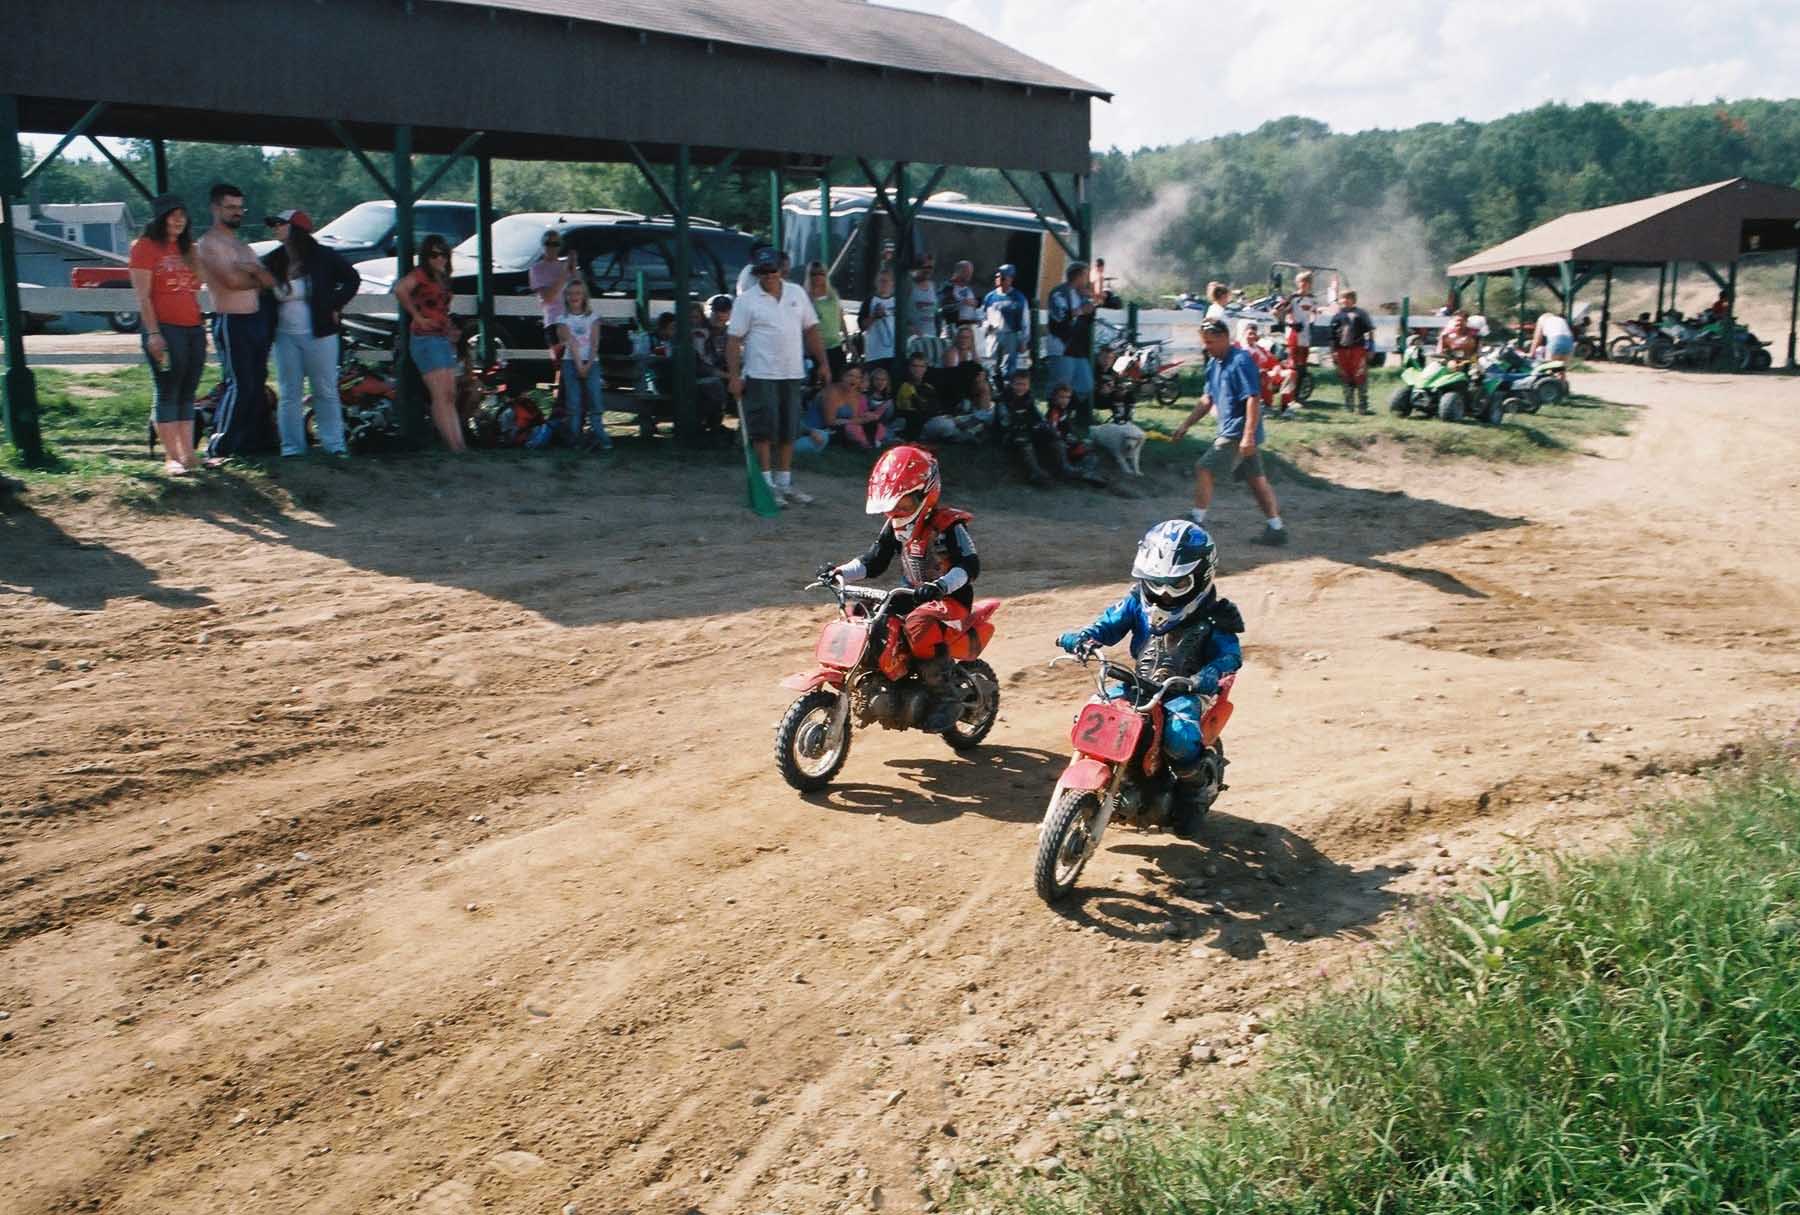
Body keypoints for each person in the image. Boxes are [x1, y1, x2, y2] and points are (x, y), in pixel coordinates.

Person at [1055, 520, 1245, 824]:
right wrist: (1085, 637)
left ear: (1201, 577)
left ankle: (1192, 794)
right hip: (1139, 684)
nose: (1165, 593)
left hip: (1186, 690)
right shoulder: (1134, 602)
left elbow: (1230, 655)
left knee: (1179, 738)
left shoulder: (1215, 616)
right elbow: (1108, 625)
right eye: (1156, 581)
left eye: (1177, 584)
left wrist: (1208, 675)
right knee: (1094, 713)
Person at [822, 445, 980, 732]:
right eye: (892, 506)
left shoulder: (948, 525)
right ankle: (881, 676)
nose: (896, 513)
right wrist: (840, 572)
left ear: (925, 494)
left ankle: (946, 697)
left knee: (919, 623)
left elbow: (970, 566)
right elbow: (875, 561)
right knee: (859, 611)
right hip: (914, 595)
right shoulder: (895, 525)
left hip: (950, 601)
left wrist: (940, 586)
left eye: (904, 504)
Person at [727, 245, 830, 506]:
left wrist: (823, 362)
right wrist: (734, 376)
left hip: (792, 372)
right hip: (760, 374)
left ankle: (784, 483)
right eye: (763, 271)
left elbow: (811, 330)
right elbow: (733, 340)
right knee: (763, 431)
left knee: (788, 430)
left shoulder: (796, 294)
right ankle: (766, 484)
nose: (768, 275)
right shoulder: (745, 301)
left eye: (772, 270)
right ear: (757, 272)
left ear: (780, 269)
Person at [1171, 318, 1288, 546]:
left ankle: (1197, 520)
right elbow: (1207, 400)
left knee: (1204, 467)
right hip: (1235, 431)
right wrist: (1186, 425)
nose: (1208, 347)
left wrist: (1247, 435)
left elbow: (1253, 399)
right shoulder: (1214, 364)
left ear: (1225, 338)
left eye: (1211, 342)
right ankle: (1276, 528)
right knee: (1256, 481)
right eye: (1205, 342)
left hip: (1238, 431)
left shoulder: (1241, 361)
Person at [262, 208, 360, 457]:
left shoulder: (323, 256)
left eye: (280, 224)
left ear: (297, 228)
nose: (275, 228)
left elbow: (352, 279)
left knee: (325, 389)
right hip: (285, 336)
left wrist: (335, 305)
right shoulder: (273, 260)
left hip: (321, 333)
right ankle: (292, 448)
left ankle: (334, 445)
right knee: (289, 392)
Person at [196, 182, 278, 459]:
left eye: (239, 207)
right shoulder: (209, 243)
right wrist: (255, 275)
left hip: (256, 318)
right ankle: (220, 446)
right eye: (230, 207)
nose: (236, 212)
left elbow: (269, 282)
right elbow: (230, 281)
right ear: (215, 208)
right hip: (231, 319)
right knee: (239, 384)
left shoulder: (243, 247)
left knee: (257, 382)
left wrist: (253, 271)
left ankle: (250, 442)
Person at [129, 192, 208, 476]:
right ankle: (171, 457)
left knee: (188, 391)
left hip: (192, 327)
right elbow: (143, 297)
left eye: (183, 216)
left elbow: (198, 284)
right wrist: (153, 333)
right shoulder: (144, 247)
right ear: (160, 217)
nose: (179, 221)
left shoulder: (190, 249)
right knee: (168, 390)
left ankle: (189, 454)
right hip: (164, 327)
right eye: (173, 215)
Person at [394, 234, 468, 453]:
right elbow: (400, 289)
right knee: (440, 393)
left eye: (443, 253)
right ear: (426, 256)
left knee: (450, 393)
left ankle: (459, 443)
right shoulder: (420, 275)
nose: (439, 258)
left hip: (442, 337)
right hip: (426, 338)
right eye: (434, 254)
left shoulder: (443, 277)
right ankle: (453, 446)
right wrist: (416, 316)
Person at [555, 279, 611, 451]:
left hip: (592, 362)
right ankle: (575, 439)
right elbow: (570, 342)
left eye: (578, 293)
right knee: (573, 402)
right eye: (570, 293)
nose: (574, 297)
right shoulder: (562, 318)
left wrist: (587, 366)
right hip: (570, 361)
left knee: (595, 400)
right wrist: (580, 366)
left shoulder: (593, 318)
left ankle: (602, 438)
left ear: (584, 296)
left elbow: (594, 344)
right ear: (565, 297)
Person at [1046, 260, 1098, 427]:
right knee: (1061, 385)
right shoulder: (1059, 293)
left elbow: (1088, 319)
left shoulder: (1082, 294)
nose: (1087, 280)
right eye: (1086, 275)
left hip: (1077, 346)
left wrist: (1090, 303)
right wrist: (1082, 310)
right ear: (1078, 275)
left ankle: (1066, 411)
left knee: (1085, 384)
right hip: (1061, 345)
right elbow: (1060, 318)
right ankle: (1054, 418)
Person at [1327, 288, 1375, 414]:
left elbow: (1370, 331)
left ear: (1354, 300)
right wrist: (1333, 351)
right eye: (1343, 298)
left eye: (1349, 298)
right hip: (1341, 350)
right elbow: (1332, 336)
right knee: (1345, 377)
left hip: (1358, 349)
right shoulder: (1337, 316)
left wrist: (1371, 348)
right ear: (1340, 300)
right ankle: (1349, 405)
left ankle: (1363, 406)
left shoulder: (1361, 314)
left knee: (1360, 376)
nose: (1346, 300)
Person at [806, 261, 850, 384]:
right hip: (817, 348)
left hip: (836, 345)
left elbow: (841, 318)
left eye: (821, 273)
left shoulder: (833, 294)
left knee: (840, 382)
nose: (817, 277)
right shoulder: (806, 297)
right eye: (813, 274)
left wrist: (848, 341)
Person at [529, 228, 576, 342]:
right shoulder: (537, 269)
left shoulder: (565, 266)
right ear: (543, 245)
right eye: (548, 243)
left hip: (574, 322)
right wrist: (565, 272)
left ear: (560, 246)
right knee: (559, 358)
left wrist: (573, 268)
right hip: (554, 322)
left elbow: (578, 293)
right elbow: (548, 297)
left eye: (555, 244)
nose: (552, 247)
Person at [982, 264, 1030, 376]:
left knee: (1008, 366)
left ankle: (1006, 387)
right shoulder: (990, 297)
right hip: (993, 335)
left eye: (1003, 278)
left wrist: (1024, 341)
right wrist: (986, 326)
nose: (999, 280)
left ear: (1011, 279)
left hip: (1010, 335)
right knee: (991, 364)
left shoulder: (1018, 297)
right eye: (997, 277)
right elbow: (982, 316)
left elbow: (1025, 321)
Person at [1281, 269, 1317, 411]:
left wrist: (1313, 321)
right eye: (1302, 281)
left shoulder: (1312, 298)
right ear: (1297, 283)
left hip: (1306, 335)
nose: (1304, 284)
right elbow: (1282, 311)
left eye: (1307, 282)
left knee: (1303, 367)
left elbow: (1314, 313)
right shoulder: (1293, 297)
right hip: (1293, 334)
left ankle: (1297, 397)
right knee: (1293, 366)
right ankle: (1288, 398)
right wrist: (1291, 322)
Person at [861, 268, 899, 390]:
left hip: (894, 355)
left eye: (886, 281)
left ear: (892, 283)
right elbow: (862, 326)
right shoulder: (869, 301)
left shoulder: (898, 301)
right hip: (874, 355)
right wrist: (874, 317)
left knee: (892, 388)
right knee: (874, 388)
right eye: (881, 281)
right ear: (876, 282)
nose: (884, 284)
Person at [1239, 321, 1281, 411]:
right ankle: (1266, 405)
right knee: (1264, 375)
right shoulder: (1240, 348)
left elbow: (1274, 361)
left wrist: (1276, 368)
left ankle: (1287, 404)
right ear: (1243, 334)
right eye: (1250, 334)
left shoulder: (1260, 348)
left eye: (1254, 334)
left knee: (1291, 373)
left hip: (1268, 373)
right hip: (1250, 375)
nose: (1252, 336)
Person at [942, 260, 983, 333]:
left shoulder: (969, 289)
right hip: (954, 329)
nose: (969, 275)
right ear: (958, 272)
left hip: (969, 329)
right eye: (966, 272)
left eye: (971, 272)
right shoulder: (948, 288)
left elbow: (974, 308)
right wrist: (962, 303)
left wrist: (977, 319)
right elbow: (944, 308)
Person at [906, 256, 939, 344]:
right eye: (925, 267)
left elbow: (936, 313)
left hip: (931, 338)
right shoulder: (909, 286)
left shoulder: (933, 286)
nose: (928, 270)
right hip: (913, 340)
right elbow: (898, 313)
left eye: (931, 267)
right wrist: (911, 328)